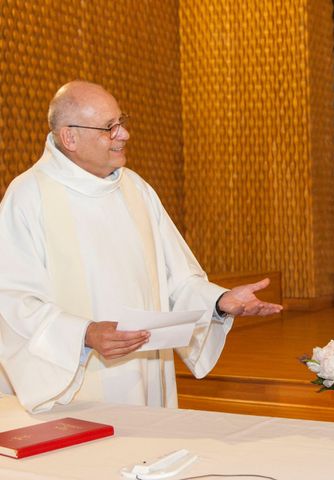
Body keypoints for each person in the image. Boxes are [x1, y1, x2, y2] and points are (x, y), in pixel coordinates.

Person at [0, 80, 282, 413]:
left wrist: (219, 302)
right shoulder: (29, 196)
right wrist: (84, 334)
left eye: (121, 122)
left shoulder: (136, 189)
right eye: (109, 128)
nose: (124, 134)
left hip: (146, 371)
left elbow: (177, 279)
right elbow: (12, 299)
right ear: (70, 137)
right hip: (76, 381)